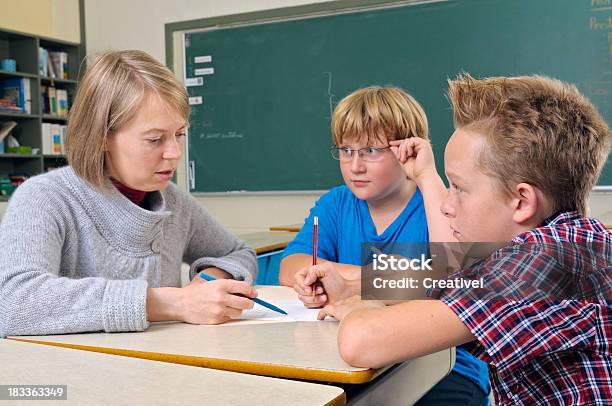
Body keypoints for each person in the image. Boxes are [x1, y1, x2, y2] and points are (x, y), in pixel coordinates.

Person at [307, 74, 611, 405]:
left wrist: (364, 308)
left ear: (522, 202)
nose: (447, 206)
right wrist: (425, 175)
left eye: (459, 188)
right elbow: (452, 272)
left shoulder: (543, 261)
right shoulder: (567, 242)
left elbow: (360, 341)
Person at [0, 50, 258, 337]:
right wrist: (173, 303)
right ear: (101, 137)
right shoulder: (43, 198)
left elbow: (238, 252)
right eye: (155, 139)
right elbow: (12, 301)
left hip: (164, 367)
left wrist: (210, 280)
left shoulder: (174, 201)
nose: (174, 153)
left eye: (180, 134)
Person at [279, 86, 490, 405]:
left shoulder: (439, 203)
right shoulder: (336, 203)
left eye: (371, 151)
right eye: (346, 151)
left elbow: (457, 278)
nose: (355, 166)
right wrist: (329, 282)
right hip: (349, 358)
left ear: (407, 149)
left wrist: (353, 285)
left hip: (446, 366)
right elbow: (291, 265)